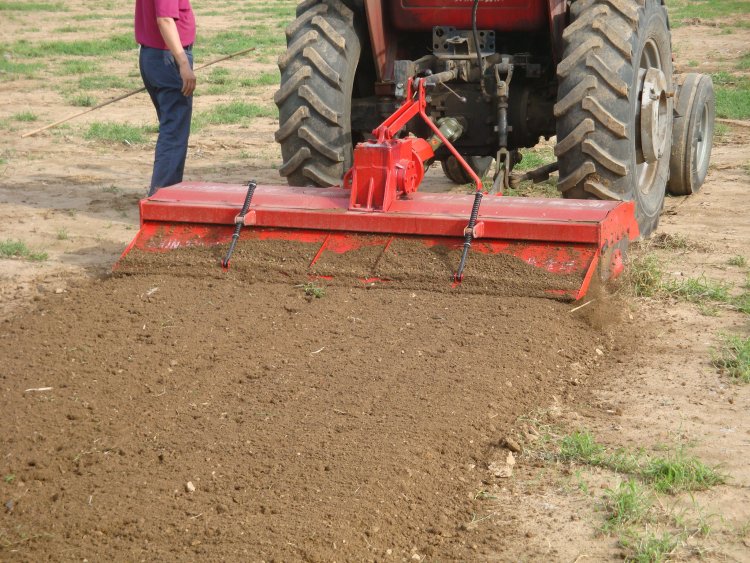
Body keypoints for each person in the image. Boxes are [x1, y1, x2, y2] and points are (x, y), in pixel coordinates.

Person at [134, 0, 197, 196]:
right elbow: (164, 20)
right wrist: (183, 63)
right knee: (173, 133)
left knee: (170, 128)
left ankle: (162, 193)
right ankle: (161, 198)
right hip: (167, 59)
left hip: (153, 56)